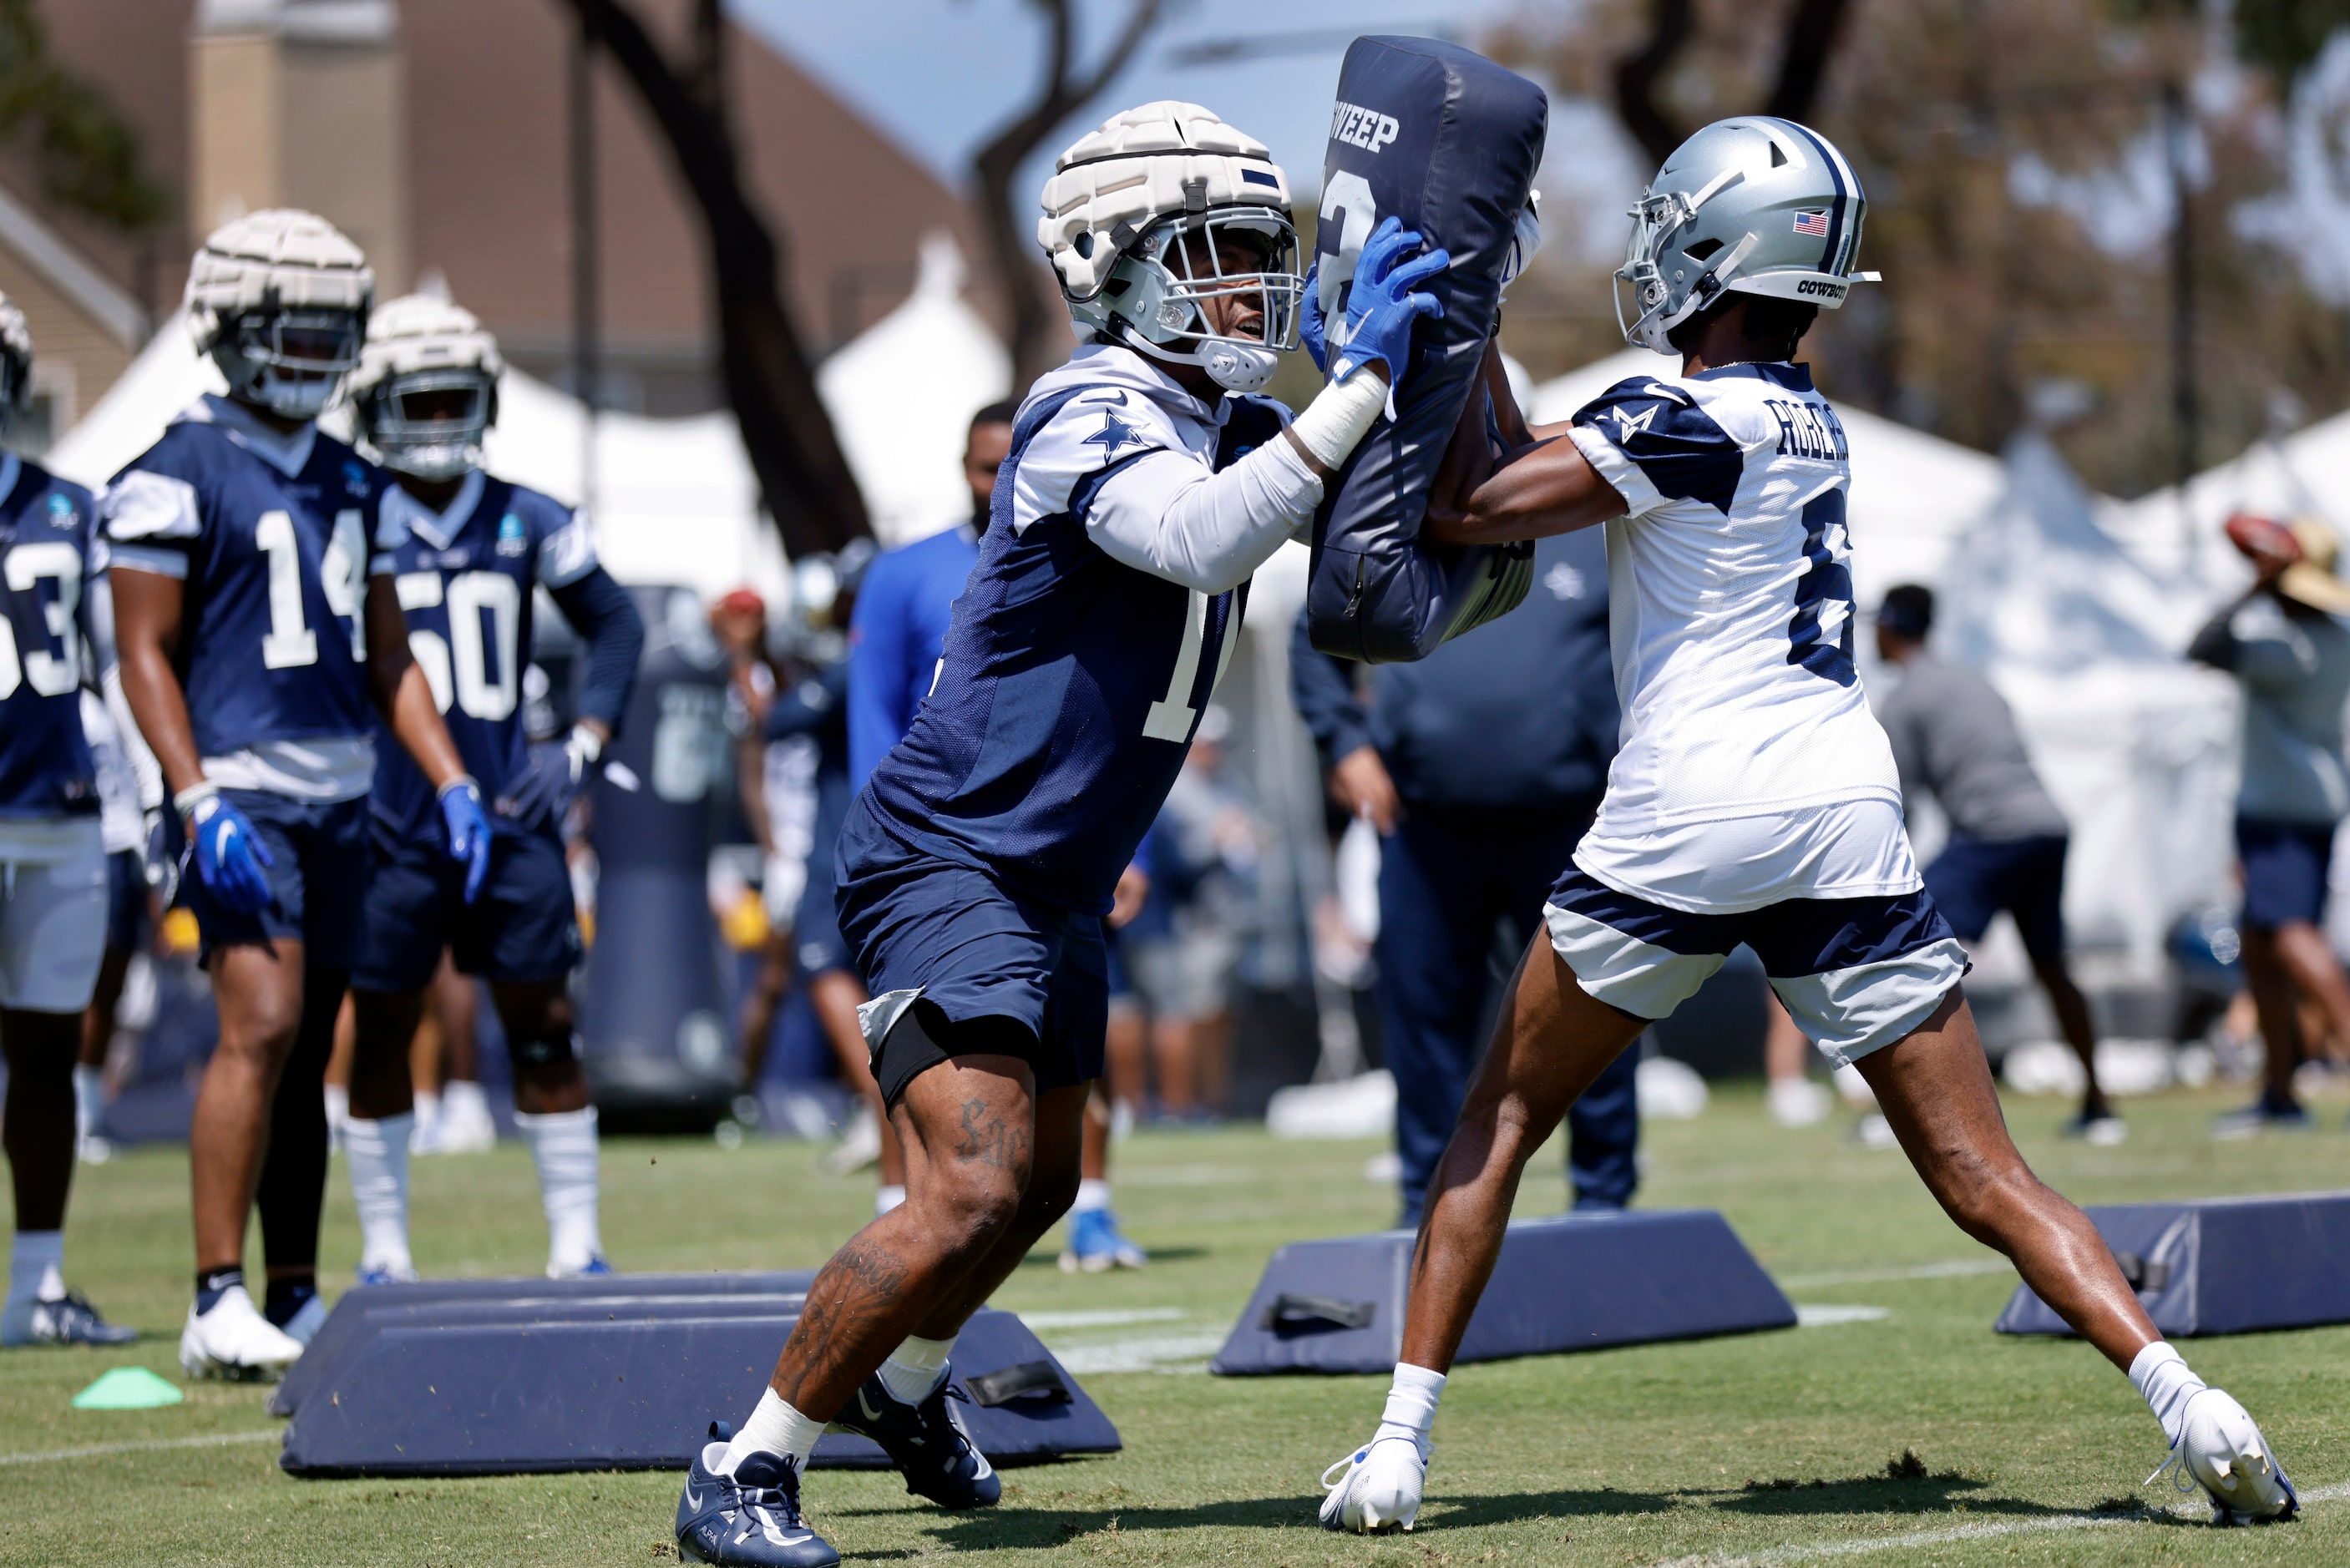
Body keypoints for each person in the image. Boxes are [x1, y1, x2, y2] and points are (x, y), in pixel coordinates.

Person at [1315, 117, 2293, 1535]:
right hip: (1838, 804)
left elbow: (1470, 504)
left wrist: (1434, 324)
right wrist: (1470, 341)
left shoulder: (1674, 416)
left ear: (1712, 251)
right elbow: (1535, 465)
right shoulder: (1807, 418)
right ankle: (2192, 1401)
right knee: (1983, 1170)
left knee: (1501, 1110)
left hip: (1690, 801)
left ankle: (1397, 1447)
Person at [671, 100, 1444, 1565]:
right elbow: (1206, 536)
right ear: (1112, 262)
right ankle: (744, 1461)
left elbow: (1368, 533)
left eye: (1254, 253)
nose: (1244, 286)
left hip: (1058, 870)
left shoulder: (1224, 418)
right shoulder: (1086, 403)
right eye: (1211, 252)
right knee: (962, 1185)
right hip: (949, 852)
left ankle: (903, 1389)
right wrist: (1345, 387)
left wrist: (1434, 379)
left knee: (1032, 1190)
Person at [106, 213, 492, 1379]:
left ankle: (294, 1287)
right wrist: (190, 793)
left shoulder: (349, 477)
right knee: (261, 1022)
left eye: (336, 328)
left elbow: (391, 655)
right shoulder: (170, 473)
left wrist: (452, 776)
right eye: (297, 326)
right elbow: (142, 653)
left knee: (311, 1034)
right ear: (229, 329)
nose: (320, 349)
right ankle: (213, 1293)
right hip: (238, 789)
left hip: (344, 792)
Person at [337, 294, 644, 1283]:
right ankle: (385, 1249)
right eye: (415, 403)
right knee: (382, 1022)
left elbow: (618, 624)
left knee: (544, 1023)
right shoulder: (346, 511)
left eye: (451, 401)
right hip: (389, 815)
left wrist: (585, 743)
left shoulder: (526, 513)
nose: (434, 423)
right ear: (374, 403)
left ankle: (576, 1243)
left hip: (512, 806)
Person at [1292, 431, 1636, 1228]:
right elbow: (1312, 640)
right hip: (1428, 822)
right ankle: (1427, 1206)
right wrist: (1344, 744)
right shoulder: (1393, 525)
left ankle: (1605, 1203)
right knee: (1423, 1019)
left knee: (1597, 1006)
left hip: (1571, 823)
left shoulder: (1589, 522)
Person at [848, 400, 1152, 1267]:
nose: (994, 484)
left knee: (1076, 1042)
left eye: (1004, 467)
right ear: (966, 469)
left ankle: (1090, 1206)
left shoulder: (1092, 554)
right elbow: (873, 716)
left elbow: (1122, 707)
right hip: (940, 849)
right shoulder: (904, 574)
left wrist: (1138, 843)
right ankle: (896, 1214)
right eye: (983, 469)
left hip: (1063, 842)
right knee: (920, 1044)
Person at [0, 295, 138, 1347]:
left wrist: (150, 801)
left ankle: (38, 1282)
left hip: (59, 817)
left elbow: (120, 673)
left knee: (48, 1055)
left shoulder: (70, 509)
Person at [1870, 583, 2117, 1140]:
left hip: (1992, 833)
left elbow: (1897, 807)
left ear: (1887, 628)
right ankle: (2099, 1105)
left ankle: (1906, 1116)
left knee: (1909, 954)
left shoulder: (1904, 698)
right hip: (2048, 826)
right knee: (2053, 968)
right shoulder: (1975, 679)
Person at [2189, 518, 2350, 1135]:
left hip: (2277, 810)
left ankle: (2308, 1070)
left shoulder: (2287, 650)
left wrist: (2253, 586)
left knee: (2287, 933)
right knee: (2259, 944)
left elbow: (2202, 647)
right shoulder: (2334, 638)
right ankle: (2280, 1092)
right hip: (2307, 807)